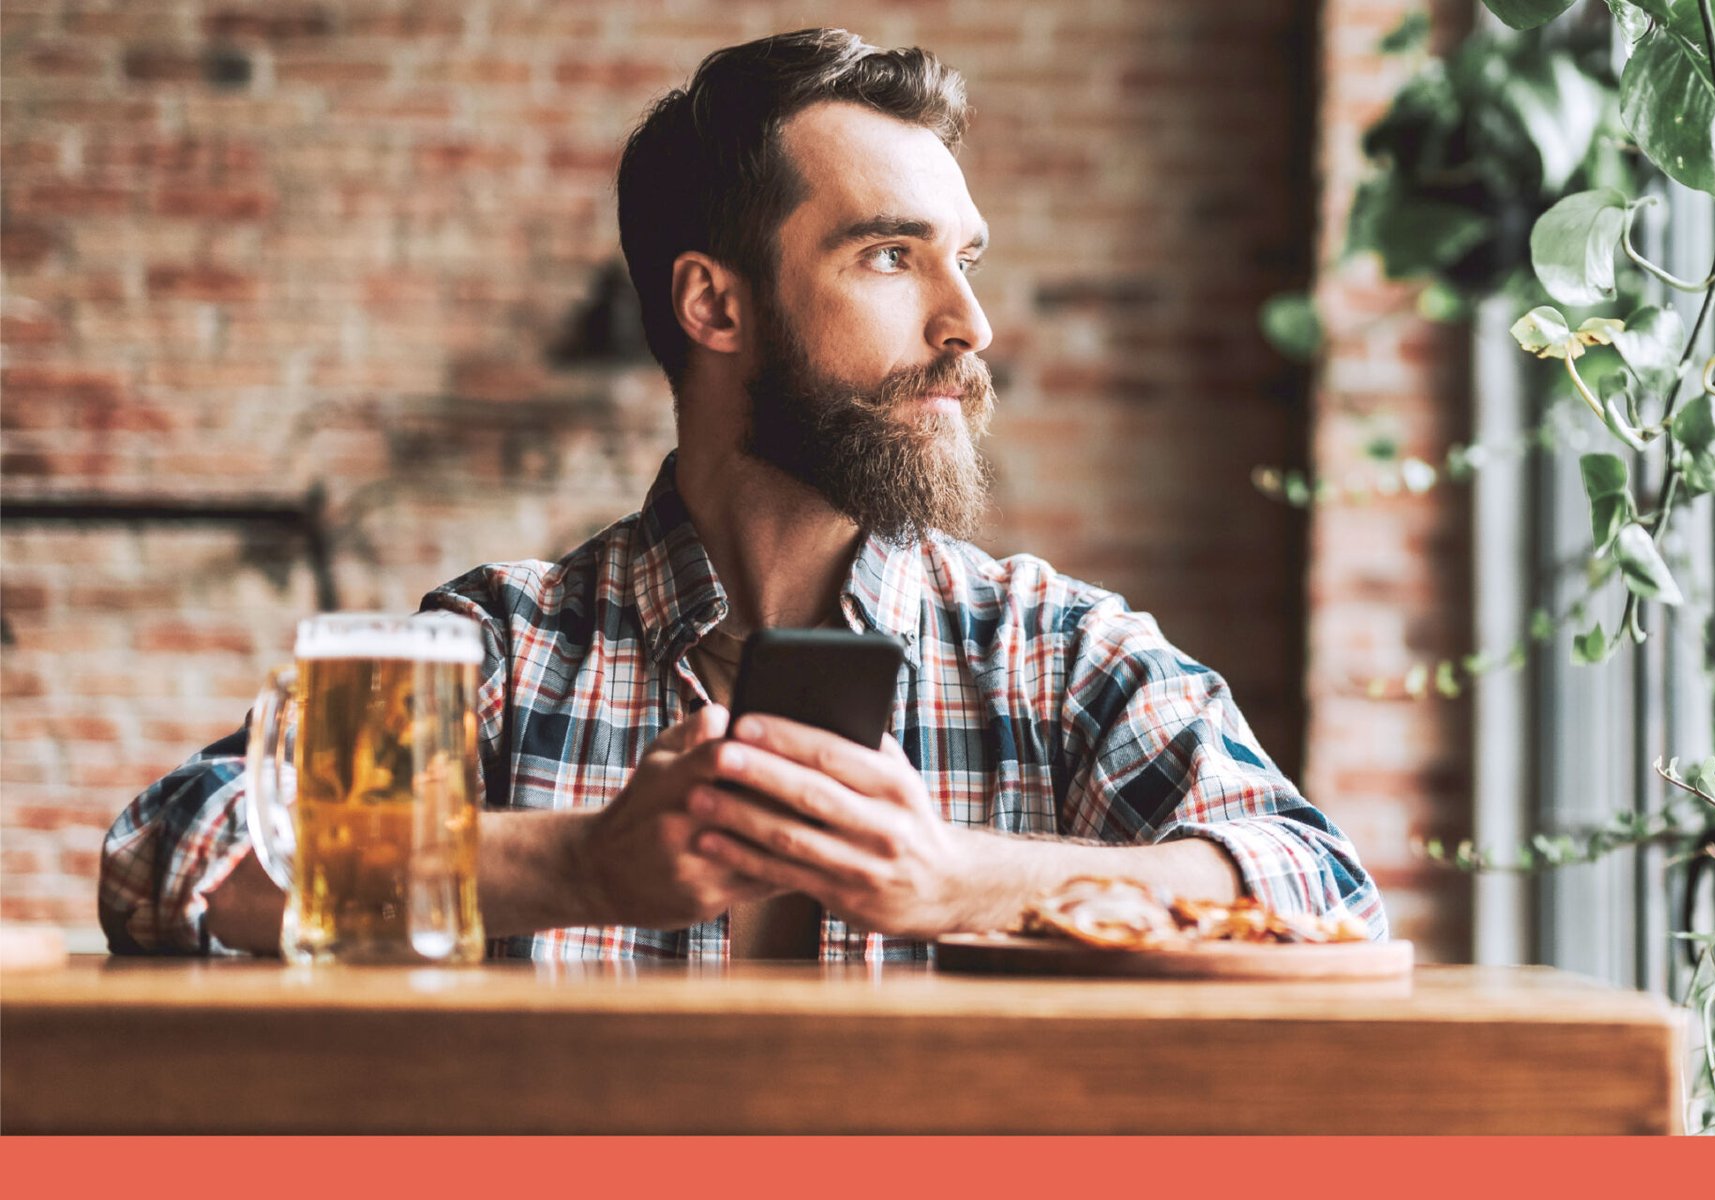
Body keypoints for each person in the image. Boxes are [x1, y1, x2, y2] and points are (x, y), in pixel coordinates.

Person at [98, 28, 1383, 960]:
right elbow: (174, 856)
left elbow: (1318, 888)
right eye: (891, 255)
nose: (971, 324)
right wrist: (582, 861)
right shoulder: (502, 647)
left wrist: (958, 880)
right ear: (715, 303)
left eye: (967, 261)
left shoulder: (1059, 656)